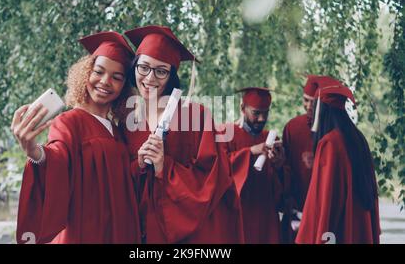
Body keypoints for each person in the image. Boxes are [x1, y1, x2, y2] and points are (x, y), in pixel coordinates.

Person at [12, 31, 140, 244]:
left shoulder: (118, 131)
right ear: (86, 74)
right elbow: (57, 157)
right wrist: (35, 152)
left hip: (119, 232)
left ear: (124, 87)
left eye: (117, 77)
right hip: (84, 233)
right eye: (98, 72)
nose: (105, 81)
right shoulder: (69, 122)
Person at [123, 25, 243, 244]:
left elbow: (214, 179)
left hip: (190, 236)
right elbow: (120, 181)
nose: (150, 78)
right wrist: (139, 166)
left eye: (161, 71)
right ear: (134, 67)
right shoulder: (126, 120)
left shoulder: (196, 116)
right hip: (141, 231)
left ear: (171, 76)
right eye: (144, 67)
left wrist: (164, 168)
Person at [296, 84, 381, 244]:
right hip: (360, 223)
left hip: (340, 228)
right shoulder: (358, 138)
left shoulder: (330, 143)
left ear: (322, 111)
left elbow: (328, 198)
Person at [281, 75, 342, 242]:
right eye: (305, 100)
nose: (308, 106)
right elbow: (286, 168)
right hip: (298, 208)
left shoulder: (334, 132)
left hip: (327, 208)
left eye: (312, 102)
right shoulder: (293, 128)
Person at [220, 87, 284, 243]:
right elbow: (218, 169)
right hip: (237, 214)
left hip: (265, 216)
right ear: (242, 108)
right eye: (256, 113)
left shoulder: (270, 138)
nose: (262, 118)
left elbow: (281, 185)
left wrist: (279, 165)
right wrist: (250, 152)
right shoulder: (225, 133)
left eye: (265, 112)